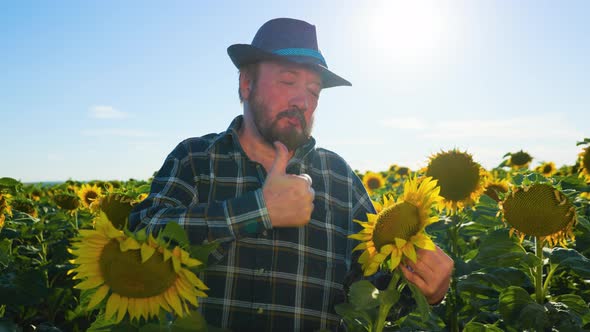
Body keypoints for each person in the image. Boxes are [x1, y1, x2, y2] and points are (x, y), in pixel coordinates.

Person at [129, 17, 453, 331]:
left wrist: (422, 290)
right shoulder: (196, 159)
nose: (303, 101)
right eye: (288, 81)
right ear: (246, 83)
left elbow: (367, 298)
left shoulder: (339, 178)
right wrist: (258, 210)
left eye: (314, 92)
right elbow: (137, 239)